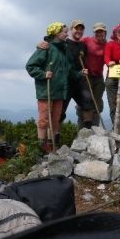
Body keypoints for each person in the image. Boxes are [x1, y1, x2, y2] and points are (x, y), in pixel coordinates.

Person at [26, 22, 86, 152]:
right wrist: (43, 74)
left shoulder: (64, 49)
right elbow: (30, 66)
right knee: (44, 119)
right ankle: (42, 147)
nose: (66, 34)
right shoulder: (46, 48)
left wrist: (79, 73)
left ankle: (53, 145)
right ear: (56, 33)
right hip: (46, 90)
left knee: (55, 119)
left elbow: (69, 70)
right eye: (64, 32)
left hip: (59, 90)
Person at [37, 20, 97, 131]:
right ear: (71, 30)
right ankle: (56, 137)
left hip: (79, 79)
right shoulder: (64, 43)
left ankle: (86, 134)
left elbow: (98, 43)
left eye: (81, 29)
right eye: (76, 28)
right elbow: (51, 44)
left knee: (88, 103)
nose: (79, 31)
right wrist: (41, 43)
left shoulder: (83, 44)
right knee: (60, 110)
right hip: (65, 81)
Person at [78, 22, 107, 128]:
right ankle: (85, 128)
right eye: (97, 31)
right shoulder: (86, 40)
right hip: (86, 76)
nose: (99, 33)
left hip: (98, 76)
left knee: (97, 102)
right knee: (86, 101)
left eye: (101, 31)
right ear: (94, 32)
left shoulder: (107, 45)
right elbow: (74, 44)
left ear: (105, 32)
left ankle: (94, 127)